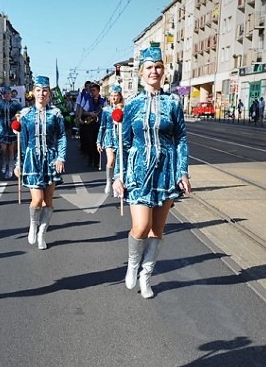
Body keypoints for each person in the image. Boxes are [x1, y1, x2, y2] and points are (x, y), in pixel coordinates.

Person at [112, 43, 191, 299]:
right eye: (149, 67)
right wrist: (118, 176)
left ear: (164, 71)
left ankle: (146, 277)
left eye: (158, 67)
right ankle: (133, 264)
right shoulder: (132, 105)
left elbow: (181, 139)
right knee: (141, 226)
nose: (154, 71)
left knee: (158, 230)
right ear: (141, 72)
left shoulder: (173, 103)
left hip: (165, 172)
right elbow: (123, 143)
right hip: (138, 171)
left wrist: (182, 172)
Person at [15, 75, 66, 250]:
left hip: (51, 159)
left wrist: (61, 157)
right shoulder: (25, 114)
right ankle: (33, 224)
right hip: (32, 159)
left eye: (45, 91)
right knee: (37, 200)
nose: (42, 94)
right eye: (38, 90)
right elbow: (22, 141)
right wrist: (18, 163)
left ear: (49, 93)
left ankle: (42, 233)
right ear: (33, 92)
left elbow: (61, 137)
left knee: (48, 201)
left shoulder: (56, 114)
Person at [97, 85, 124, 194]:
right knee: (111, 160)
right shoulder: (106, 110)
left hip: (120, 137)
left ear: (120, 97)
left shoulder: (124, 109)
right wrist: (98, 141)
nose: (113, 98)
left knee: (119, 163)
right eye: (112, 95)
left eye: (116, 95)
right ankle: (108, 181)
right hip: (109, 137)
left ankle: (117, 183)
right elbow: (102, 126)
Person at [77, 83, 105, 168]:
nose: (92, 92)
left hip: (99, 124)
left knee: (97, 144)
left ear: (98, 91)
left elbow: (107, 111)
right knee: (90, 143)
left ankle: (96, 162)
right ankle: (90, 160)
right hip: (90, 124)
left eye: (94, 90)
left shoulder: (103, 101)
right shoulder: (89, 100)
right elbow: (84, 111)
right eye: (91, 90)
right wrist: (90, 113)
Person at [0, 86, 21, 178]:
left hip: (12, 129)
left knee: (11, 150)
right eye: (5, 93)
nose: (7, 95)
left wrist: (17, 115)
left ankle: (10, 168)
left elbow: (22, 110)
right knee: (3, 149)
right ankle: (4, 163)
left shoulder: (15, 103)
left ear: (11, 94)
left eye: (8, 93)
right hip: (3, 129)